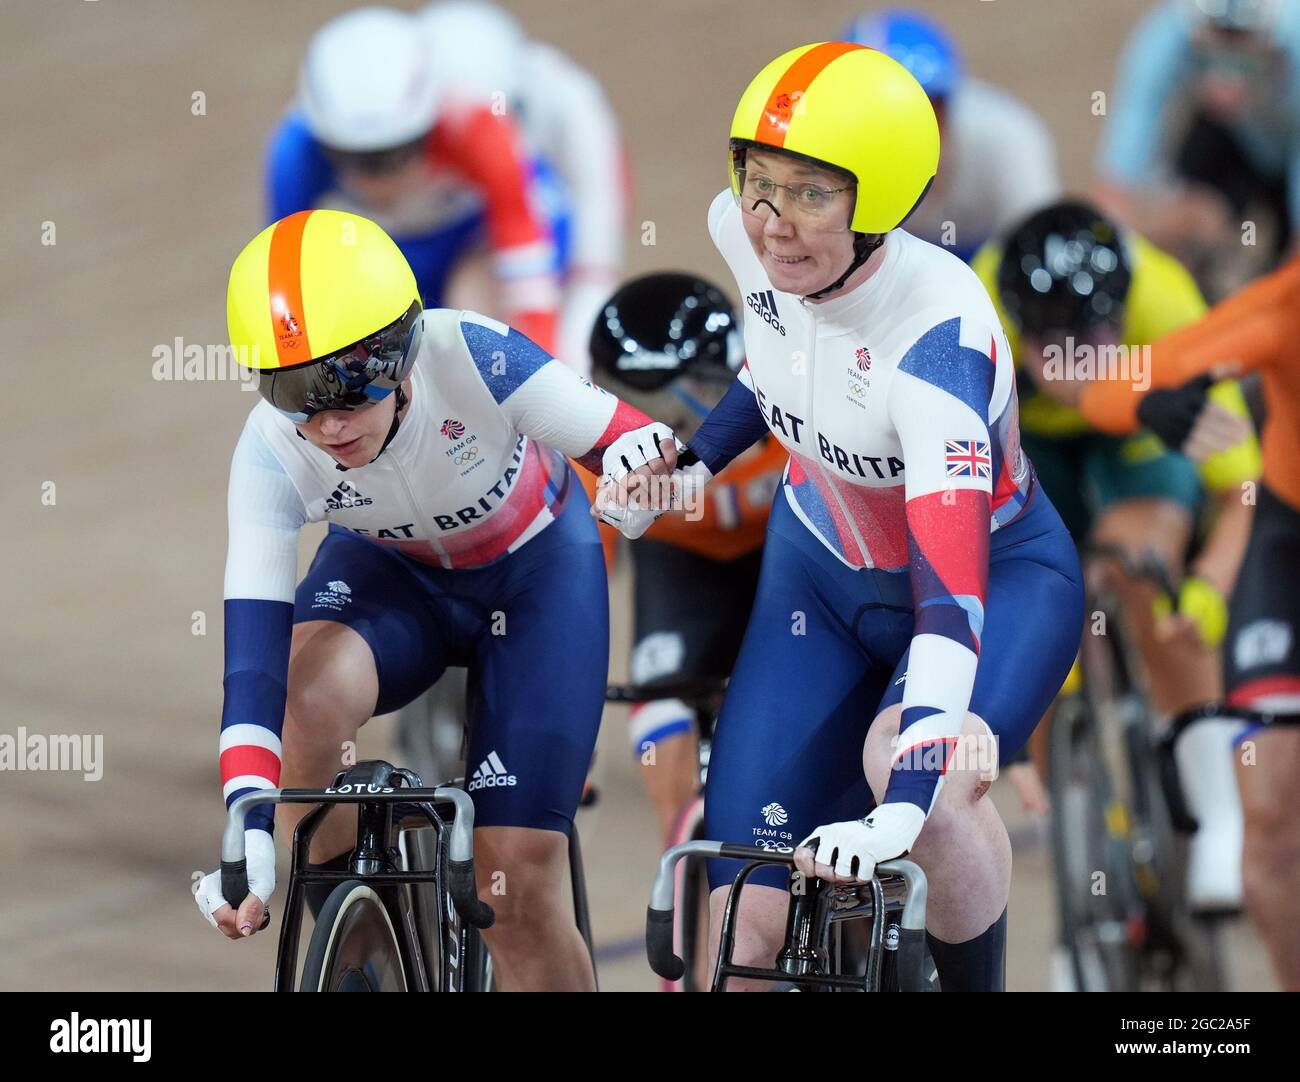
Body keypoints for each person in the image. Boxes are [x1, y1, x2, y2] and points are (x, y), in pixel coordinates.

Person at [598, 42, 1084, 992]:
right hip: (813, 584)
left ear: (881, 203)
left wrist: (900, 810)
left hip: (991, 583)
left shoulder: (938, 351)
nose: (774, 223)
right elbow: (779, 366)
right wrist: (690, 462)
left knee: (926, 790)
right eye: (759, 183)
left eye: (812, 194)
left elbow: (950, 607)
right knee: (743, 922)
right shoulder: (747, 235)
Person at [192, 209, 675, 992]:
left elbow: (622, 435)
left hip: (536, 574)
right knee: (300, 702)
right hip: (394, 572)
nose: (328, 421)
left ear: (405, 346)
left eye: (349, 380)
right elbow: (251, 660)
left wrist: (642, 467)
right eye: (294, 392)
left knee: (509, 892)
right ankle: (362, 940)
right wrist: (247, 810)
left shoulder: (473, 354)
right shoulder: (271, 451)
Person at [974, 198, 1260, 919]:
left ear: (1122, 316)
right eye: (1051, 346)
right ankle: (1080, 861)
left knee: (1144, 568)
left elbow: (1242, 490)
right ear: (1017, 327)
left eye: (1091, 339)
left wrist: (1209, 589)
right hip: (1023, 436)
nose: (1071, 366)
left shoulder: (1168, 306)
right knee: (1034, 616)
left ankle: (1218, 813)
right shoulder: (972, 319)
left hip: (1141, 419)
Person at [1076, 253, 1300, 989]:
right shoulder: (1282, 305)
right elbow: (1108, 386)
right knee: (1268, 817)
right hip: (1289, 533)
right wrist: (1151, 404)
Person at [589, 273, 788, 841]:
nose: (659, 428)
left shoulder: (791, 392)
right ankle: (682, 864)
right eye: (632, 404)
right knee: (658, 696)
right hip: (678, 572)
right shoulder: (599, 448)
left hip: (780, 565)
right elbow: (582, 576)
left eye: (676, 401)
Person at [266, 6, 562, 353]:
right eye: (355, 158)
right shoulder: (293, 153)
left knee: (471, 320)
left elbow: (523, 250)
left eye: (395, 155)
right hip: (399, 252)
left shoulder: (475, 127)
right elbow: (290, 281)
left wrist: (547, 358)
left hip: (479, 240)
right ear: (322, 138)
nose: (377, 180)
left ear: (430, 121)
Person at [420, 0, 629, 375]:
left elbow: (596, 251)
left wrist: (572, 364)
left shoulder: (568, 98)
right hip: (458, 224)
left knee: (476, 297)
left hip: (529, 220)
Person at [1093, 0, 1300, 298]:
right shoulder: (1166, 33)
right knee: (1187, 229)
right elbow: (1113, 189)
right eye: (1207, 60)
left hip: (1287, 139)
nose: (1223, 87)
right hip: (1232, 135)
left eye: (1243, 64)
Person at [841, 8, 1062, 262]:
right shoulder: (822, 154)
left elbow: (1044, 252)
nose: (910, 136)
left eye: (927, 111)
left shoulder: (1009, 141)